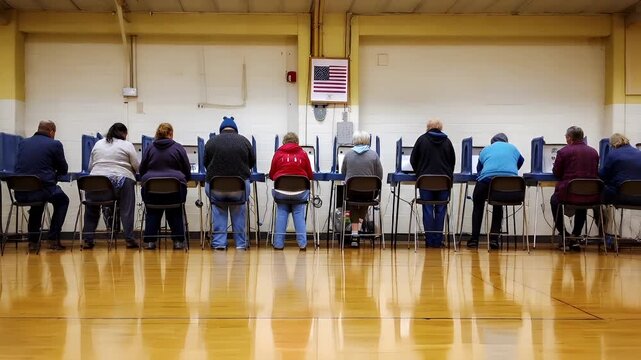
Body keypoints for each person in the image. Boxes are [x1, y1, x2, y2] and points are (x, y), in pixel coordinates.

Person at [81, 122, 139, 249]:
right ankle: (129, 239)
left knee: (91, 209)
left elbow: (90, 166)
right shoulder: (127, 145)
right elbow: (136, 166)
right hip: (120, 182)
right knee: (126, 209)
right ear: (124, 133)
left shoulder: (98, 143)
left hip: (96, 183)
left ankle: (88, 239)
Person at [14, 120, 69, 252]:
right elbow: (63, 169)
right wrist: (54, 175)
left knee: (37, 204)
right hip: (43, 189)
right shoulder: (55, 144)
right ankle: (53, 238)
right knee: (62, 200)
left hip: (20, 192)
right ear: (51, 131)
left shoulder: (23, 143)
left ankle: (33, 242)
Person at [204, 116, 255, 250]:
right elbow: (252, 163)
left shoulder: (211, 142)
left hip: (216, 189)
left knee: (219, 210)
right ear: (235, 129)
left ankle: (219, 243)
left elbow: (205, 164)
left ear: (221, 129)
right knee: (238, 209)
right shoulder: (244, 141)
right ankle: (241, 243)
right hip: (239, 190)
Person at [139, 123, 192, 250]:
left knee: (152, 212)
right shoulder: (178, 148)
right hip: (175, 190)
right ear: (170, 134)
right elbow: (187, 170)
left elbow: (142, 170)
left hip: (152, 190)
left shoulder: (150, 148)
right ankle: (178, 241)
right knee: (175, 211)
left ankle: (150, 242)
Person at [468, 133, 524, 249]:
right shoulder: (513, 148)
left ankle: (474, 239)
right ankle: (494, 240)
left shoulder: (486, 149)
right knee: (498, 204)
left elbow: (479, 170)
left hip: (487, 182)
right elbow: (519, 163)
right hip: (510, 186)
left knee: (478, 204)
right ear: (506, 142)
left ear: (492, 142)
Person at [550, 126, 599, 251]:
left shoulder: (563, 152)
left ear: (569, 138)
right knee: (582, 201)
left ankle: (564, 234)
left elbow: (557, 172)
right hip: (591, 194)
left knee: (554, 201)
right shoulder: (593, 152)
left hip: (568, 193)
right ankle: (576, 235)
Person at [410, 118, 456, 248]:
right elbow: (452, 161)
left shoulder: (421, 140)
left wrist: (419, 172)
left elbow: (413, 160)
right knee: (441, 208)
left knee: (428, 208)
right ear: (440, 128)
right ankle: (437, 240)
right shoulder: (447, 141)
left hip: (425, 182)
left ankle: (429, 241)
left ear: (428, 127)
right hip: (444, 182)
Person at [269, 132, 314, 250]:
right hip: (300, 194)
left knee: (282, 213)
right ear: (297, 142)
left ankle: (278, 244)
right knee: (299, 213)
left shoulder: (278, 154)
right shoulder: (303, 154)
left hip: (281, 193)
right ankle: (302, 244)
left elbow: (272, 175)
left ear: (284, 142)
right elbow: (310, 175)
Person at [340, 130, 384, 247]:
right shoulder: (374, 155)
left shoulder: (348, 155)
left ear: (354, 140)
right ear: (367, 140)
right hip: (369, 193)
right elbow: (380, 176)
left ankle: (355, 234)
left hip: (352, 192)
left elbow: (343, 173)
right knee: (365, 202)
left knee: (352, 203)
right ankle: (357, 231)